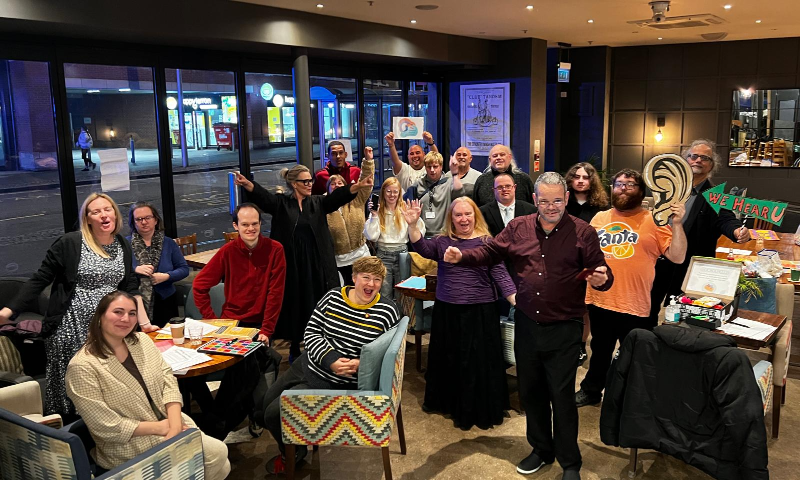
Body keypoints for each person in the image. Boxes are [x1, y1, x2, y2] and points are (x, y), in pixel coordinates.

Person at [442, 172, 614, 480]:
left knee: (561, 398)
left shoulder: (583, 232)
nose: (551, 207)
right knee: (531, 393)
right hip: (527, 323)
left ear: (566, 199)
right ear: (535, 200)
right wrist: (463, 255)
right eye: (545, 201)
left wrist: (602, 278)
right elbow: (490, 252)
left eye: (557, 201)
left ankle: (570, 462)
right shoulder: (517, 227)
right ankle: (541, 450)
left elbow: (600, 270)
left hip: (564, 327)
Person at [0, 193, 155, 418]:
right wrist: (9, 310)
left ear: (115, 213)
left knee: (108, 387)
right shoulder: (70, 243)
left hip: (109, 328)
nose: (103, 215)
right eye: (96, 211)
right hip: (71, 328)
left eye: (107, 209)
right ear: (87, 218)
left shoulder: (122, 244)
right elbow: (40, 279)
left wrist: (144, 323)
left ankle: (110, 435)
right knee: (75, 390)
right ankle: (70, 439)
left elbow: (130, 287)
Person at [255, 256, 399, 475]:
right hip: (307, 364)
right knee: (262, 408)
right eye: (366, 278)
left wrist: (363, 363)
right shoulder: (333, 297)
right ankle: (297, 442)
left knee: (273, 414)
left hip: (334, 381)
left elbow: (388, 353)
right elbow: (311, 331)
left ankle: (292, 453)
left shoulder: (387, 312)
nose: (371, 284)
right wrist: (330, 359)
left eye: (377, 280)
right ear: (354, 278)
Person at [65, 291, 230, 479]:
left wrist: (174, 424)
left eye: (132, 313)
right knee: (218, 456)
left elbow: (167, 377)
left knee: (220, 462)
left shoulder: (141, 340)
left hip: (171, 423)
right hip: (129, 444)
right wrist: (162, 428)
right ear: (100, 316)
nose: (125, 319)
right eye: (118, 312)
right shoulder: (83, 366)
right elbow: (105, 426)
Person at [233, 165, 373, 360]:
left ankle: (314, 344)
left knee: (314, 303)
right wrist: (247, 184)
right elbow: (263, 198)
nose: (310, 185)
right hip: (291, 266)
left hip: (315, 264)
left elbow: (337, 197)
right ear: (294, 184)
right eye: (305, 182)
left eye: (311, 181)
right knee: (294, 304)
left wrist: (357, 186)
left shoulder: (318, 203)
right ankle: (294, 346)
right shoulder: (281, 204)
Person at [575, 169, 686, 408]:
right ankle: (592, 390)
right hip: (600, 299)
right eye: (618, 184)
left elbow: (677, 256)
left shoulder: (654, 221)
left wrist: (676, 224)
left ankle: (631, 397)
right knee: (600, 350)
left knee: (635, 356)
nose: (623, 188)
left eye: (630, 184)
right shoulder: (599, 219)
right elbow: (584, 256)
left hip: (635, 303)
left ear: (641, 191)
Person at [404, 196, 516, 430]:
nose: (463, 219)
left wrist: (517, 302)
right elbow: (422, 248)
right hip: (448, 311)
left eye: (468, 214)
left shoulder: (488, 242)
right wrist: (413, 225)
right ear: (451, 219)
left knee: (477, 363)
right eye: (458, 215)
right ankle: (451, 404)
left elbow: (501, 276)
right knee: (452, 360)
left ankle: (477, 408)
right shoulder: (444, 241)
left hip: (481, 311)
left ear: (475, 215)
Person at [648, 139, 750, 325]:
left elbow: (726, 219)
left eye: (705, 158)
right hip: (657, 259)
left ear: (712, 165)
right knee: (648, 307)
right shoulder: (668, 188)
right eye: (693, 156)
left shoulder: (715, 195)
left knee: (680, 316)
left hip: (688, 266)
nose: (698, 160)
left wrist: (736, 231)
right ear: (685, 160)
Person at [192, 203, 286, 342]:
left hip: (260, 325)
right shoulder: (228, 251)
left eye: (255, 224)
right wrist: (211, 319)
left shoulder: (275, 249)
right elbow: (199, 285)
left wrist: (267, 330)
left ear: (260, 223)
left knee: (260, 362)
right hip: (230, 322)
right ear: (236, 226)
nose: (251, 229)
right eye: (245, 225)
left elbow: (275, 293)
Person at [564, 162, 609, 364]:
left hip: (589, 261)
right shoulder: (562, 203)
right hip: (564, 261)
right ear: (570, 179)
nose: (581, 181)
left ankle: (581, 345)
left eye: (585, 177)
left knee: (585, 307)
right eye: (577, 177)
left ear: (592, 181)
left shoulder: (602, 208)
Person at [364, 176, 426, 302]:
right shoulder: (378, 210)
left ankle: (402, 319)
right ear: (383, 192)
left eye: (395, 192)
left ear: (399, 193)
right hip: (383, 253)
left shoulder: (405, 209)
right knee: (384, 292)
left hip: (402, 254)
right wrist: (374, 216)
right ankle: (388, 319)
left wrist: (414, 221)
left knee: (402, 293)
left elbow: (420, 233)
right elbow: (371, 236)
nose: (392, 195)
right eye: (388, 191)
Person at [128, 202, 189, 327]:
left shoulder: (168, 243)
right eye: (139, 219)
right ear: (133, 222)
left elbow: (184, 269)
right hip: (135, 302)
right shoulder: (125, 244)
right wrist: (135, 268)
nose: (144, 222)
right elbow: (117, 269)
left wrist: (167, 276)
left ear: (155, 220)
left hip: (166, 300)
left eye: (147, 218)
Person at [325, 148, 375, 284]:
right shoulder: (323, 206)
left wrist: (368, 161)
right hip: (338, 261)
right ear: (328, 189)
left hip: (361, 256)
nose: (336, 185)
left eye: (340, 183)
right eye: (333, 184)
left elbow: (365, 182)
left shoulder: (356, 200)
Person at [403, 151, 464, 236]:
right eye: (429, 167)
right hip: (422, 233)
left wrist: (455, 173)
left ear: (441, 167)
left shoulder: (449, 182)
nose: (432, 170)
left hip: (443, 234)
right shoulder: (418, 184)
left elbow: (460, 193)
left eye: (435, 167)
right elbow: (405, 202)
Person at [479, 172, 537, 237]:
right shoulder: (482, 213)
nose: (504, 189)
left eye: (508, 186)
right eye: (500, 187)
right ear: (494, 190)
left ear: (514, 187)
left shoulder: (531, 210)